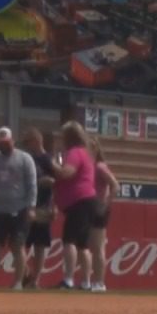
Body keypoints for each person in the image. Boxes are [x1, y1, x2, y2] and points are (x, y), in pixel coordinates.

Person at [0, 126, 37, 289]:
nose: (4, 145)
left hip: (19, 209)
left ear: (13, 141)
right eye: (1, 143)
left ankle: (18, 282)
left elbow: (32, 185)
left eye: (6, 142)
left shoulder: (25, 159)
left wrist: (31, 207)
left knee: (18, 246)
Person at [48, 120, 96, 290]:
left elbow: (67, 173)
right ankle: (86, 282)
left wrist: (52, 164)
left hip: (78, 201)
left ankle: (68, 279)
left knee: (70, 240)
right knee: (83, 244)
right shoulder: (85, 153)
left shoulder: (75, 152)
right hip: (87, 200)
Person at [21, 128, 56, 289]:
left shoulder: (48, 160)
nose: (27, 145)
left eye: (28, 142)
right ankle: (25, 272)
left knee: (40, 245)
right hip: (27, 205)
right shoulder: (26, 159)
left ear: (36, 140)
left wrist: (54, 206)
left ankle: (35, 280)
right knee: (19, 242)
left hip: (43, 205)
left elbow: (57, 183)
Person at [87, 138, 120, 293]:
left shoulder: (99, 167)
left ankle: (99, 282)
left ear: (95, 150)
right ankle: (90, 280)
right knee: (89, 246)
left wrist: (106, 203)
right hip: (89, 208)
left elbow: (115, 185)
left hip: (98, 208)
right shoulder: (88, 167)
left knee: (98, 246)